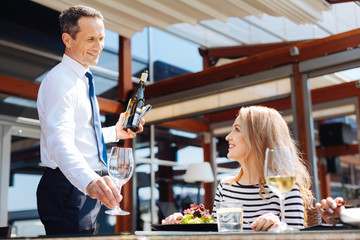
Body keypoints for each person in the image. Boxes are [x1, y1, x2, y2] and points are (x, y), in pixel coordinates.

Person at [36, 5, 144, 235]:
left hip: (78, 187)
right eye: (91, 38)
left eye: (102, 38)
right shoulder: (61, 81)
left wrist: (115, 132)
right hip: (70, 188)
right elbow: (59, 141)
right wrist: (90, 181)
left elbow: (80, 135)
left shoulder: (82, 78)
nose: (99, 46)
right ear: (68, 39)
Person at [162, 106, 313, 231]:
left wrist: (278, 228)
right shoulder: (225, 186)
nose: (228, 137)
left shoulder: (285, 188)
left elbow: (296, 237)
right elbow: (214, 233)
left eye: (237, 129)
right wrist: (183, 223)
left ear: (257, 138)